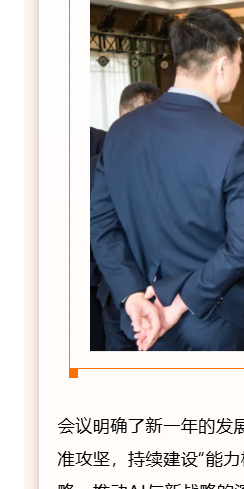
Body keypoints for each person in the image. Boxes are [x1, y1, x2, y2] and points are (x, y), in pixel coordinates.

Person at [90, 7, 244, 351]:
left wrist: (131, 294)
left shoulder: (120, 132)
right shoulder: (236, 141)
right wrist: (180, 302)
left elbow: (102, 226)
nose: (238, 71)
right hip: (214, 320)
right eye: (240, 62)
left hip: (138, 319)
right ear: (222, 65)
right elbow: (243, 247)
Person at [91, 82, 163, 351]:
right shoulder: (182, 160)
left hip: (119, 291)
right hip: (151, 295)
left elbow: (97, 232)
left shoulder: (95, 165)